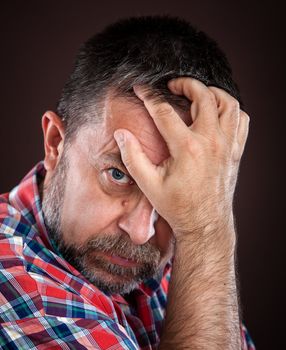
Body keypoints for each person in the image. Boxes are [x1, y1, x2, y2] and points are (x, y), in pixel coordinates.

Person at [0, 15, 255, 349]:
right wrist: (208, 230)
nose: (140, 232)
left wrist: (202, 220)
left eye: (179, 190)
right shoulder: (15, 285)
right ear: (55, 144)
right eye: (118, 175)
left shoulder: (185, 243)